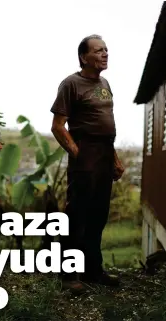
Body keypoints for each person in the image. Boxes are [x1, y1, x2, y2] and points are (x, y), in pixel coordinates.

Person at [50, 34, 125, 294]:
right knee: (77, 216)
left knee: (98, 215)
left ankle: (93, 271)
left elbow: (106, 127)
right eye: (98, 51)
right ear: (84, 57)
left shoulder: (105, 83)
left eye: (106, 49)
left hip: (105, 152)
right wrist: (77, 153)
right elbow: (58, 127)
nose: (105, 54)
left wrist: (113, 158)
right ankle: (69, 277)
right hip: (86, 152)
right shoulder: (71, 84)